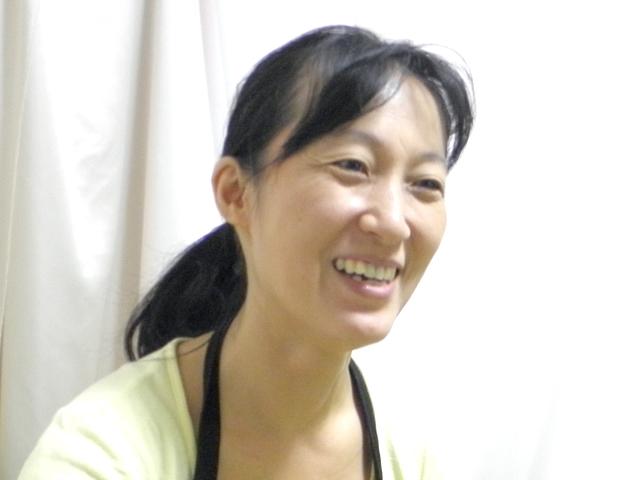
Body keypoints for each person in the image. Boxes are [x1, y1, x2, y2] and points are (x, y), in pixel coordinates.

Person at [19, 25, 473, 479]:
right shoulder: (100, 453)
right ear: (236, 193)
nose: (393, 222)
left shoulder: (416, 451)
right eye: (353, 165)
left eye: (425, 184)